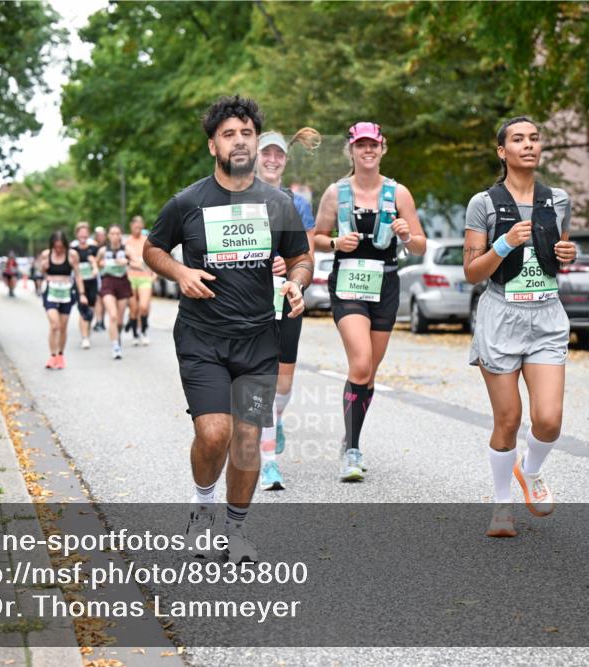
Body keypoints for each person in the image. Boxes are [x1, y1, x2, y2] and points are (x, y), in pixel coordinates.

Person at [144, 96, 312, 563]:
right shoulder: (188, 202)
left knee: (246, 441)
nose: (239, 141)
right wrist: (179, 273)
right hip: (202, 337)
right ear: (213, 144)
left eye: (247, 133)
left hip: (259, 339)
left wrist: (297, 285)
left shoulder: (278, 204)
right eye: (229, 134)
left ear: (256, 142)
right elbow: (152, 249)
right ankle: (202, 508)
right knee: (215, 433)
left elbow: (301, 259)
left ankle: (235, 531)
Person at [462, 116, 576, 538]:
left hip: (546, 314)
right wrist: (504, 243)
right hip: (501, 315)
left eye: (534, 138)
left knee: (548, 420)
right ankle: (501, 506)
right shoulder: (484, 203)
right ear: (502, 151)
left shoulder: (558, 199)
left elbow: (559, 253)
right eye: (518, 139)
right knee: (508, 419)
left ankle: (530, 471)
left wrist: (568, 252)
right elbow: (473, 272)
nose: (528, 145)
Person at [313, 122, 426, 482]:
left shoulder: (399, 193)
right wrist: (334, 244)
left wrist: (408, 236)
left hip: (385, 283)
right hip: (347, 283)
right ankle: (352, 450)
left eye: (372, 145)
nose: (367, 151)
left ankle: (351, 432)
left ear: (383, 148)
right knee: (360, 364)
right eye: (360, 145)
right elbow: (314, 237)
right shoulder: (336, 193)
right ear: (351, 149)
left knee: (369, 373)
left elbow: (421, 245)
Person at [254, 127, 321, 491]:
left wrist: (292, 272)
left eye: (279, 154)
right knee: (263, 381)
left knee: (283, 381)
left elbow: (305, 258)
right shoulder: (241, 197)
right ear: (254, 156)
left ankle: (275, 421)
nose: (273, 159)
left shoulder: (297, 203)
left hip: (286, 299)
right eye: (267, 153)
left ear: (285, 159)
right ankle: (269, 463)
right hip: (251, 302)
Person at [38, 231, 88, 370]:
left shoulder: (72, 255)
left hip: (66, 293)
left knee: (63, 326)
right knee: (55, 325)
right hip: (51, 292)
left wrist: (82, 294)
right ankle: (52, 355)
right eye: (56, 247)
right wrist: (43, 268)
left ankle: (60, 355)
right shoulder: (46, 254)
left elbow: (78, 276)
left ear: (65, 245)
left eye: (61, 247)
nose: (58, 249)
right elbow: (40, 272)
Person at [97, 224, 133, 360]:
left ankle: (117, 338)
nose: (115, 236)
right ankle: (115, 346)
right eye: (112, 233)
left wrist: (127, 261)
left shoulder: (126, 249)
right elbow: (96, 262)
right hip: (108, 283)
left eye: (118, 233)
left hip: (122, 283)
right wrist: (99, 265)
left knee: (119, 320)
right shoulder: (103, 250)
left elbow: (135, 261)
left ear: (121, 235)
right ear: (108, 236)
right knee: (112, 316)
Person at [125, 215, 154, 346]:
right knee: (133, 308)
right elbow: (124, 260)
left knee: (143, 306)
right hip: (131, 277)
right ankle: (135, 334)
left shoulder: (147, 240)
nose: (137, 229)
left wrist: (155, 274)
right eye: (135, 227)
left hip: (145, 277)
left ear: (142, 227)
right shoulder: (127, 242)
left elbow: (153, 258)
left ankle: (143, 331)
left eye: (140, 227)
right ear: (131, 227)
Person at [72, 222, 100, 349]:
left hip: (92, 283)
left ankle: (87, 334)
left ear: (88, 234)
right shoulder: (73, 250)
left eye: (85, 233)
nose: (83, 235)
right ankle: (84, 337)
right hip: (79, 283)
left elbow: (101, 262)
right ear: (77, 234)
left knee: (91, 311)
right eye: (80, 232)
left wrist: (95, 265)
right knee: (83, 310)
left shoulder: (94, 248)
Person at [92, 226, 108, 331]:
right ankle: (98, 321)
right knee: (98, 299)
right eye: (98, 235)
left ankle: (102, 321)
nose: (100, 237)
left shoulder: (107, 247)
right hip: (96, 276)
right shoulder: (93, 247)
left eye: (102, 235)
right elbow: (91, 260)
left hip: (106, 275)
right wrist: (97, 263)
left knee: (105, 300)